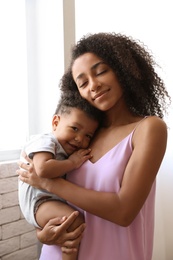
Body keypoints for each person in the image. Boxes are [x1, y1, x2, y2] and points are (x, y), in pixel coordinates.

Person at [17, 32, 171, 260]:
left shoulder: (148, 129)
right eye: (83, 82)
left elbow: (123, 211)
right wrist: (43, 235)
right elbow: (46, 200)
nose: (94, 85)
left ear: (122, 69)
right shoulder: (82, 135)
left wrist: (48, 181)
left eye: (101, 72)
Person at [18, 92, 102, 260]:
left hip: (48, 199)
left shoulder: (65, 147)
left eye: (88, 136)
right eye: (75, 128)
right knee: (74, 223)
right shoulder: (45, 141)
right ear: (55, 122)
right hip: (40, 202)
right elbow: (42, 170)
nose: (79, 139)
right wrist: (72, 163)